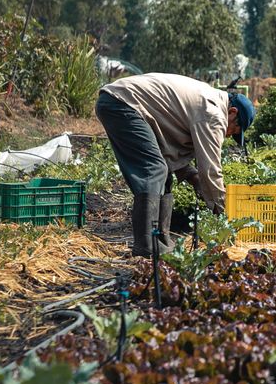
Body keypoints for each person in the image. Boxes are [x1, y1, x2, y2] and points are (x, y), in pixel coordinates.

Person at [95, 73, 254, 257]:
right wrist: (222, 212)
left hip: (121, 101)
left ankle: (161, 240)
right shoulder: (214, 114)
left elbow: (171, 153)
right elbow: (210, 170)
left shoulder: (209, 102)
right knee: (154, 170)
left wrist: (192, 176)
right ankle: (146, 245)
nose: (228, 136)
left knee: (163, 171)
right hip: (122, 103)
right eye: (233, 130)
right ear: (232, 112)